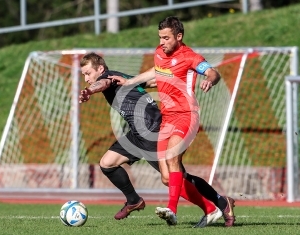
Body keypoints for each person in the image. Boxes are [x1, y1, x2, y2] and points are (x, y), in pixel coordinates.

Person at [79, 52, 234, 227]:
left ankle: (220, 203)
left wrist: (90, 90)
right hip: (137, 132)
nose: (86, 78)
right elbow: (152, 82)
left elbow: (103, 83)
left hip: (151, 129)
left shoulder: (108, 77)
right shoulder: (122, 77)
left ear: (100, 69)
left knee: (174, 178)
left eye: (88, 73)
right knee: (108, 163)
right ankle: (133, 200)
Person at [111, 16, 235, 228]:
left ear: (179, 36)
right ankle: (215, 206)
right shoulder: (160, 53)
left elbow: (213, 72)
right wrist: (130, 81)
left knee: (171, 158)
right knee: (167, 177)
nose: (162, 42)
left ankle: (172, 210)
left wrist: (209, 80)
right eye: (160, 37)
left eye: (166, 38)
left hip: (187, 114)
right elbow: (156, 72)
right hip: (167, 117)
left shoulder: (190, 57)